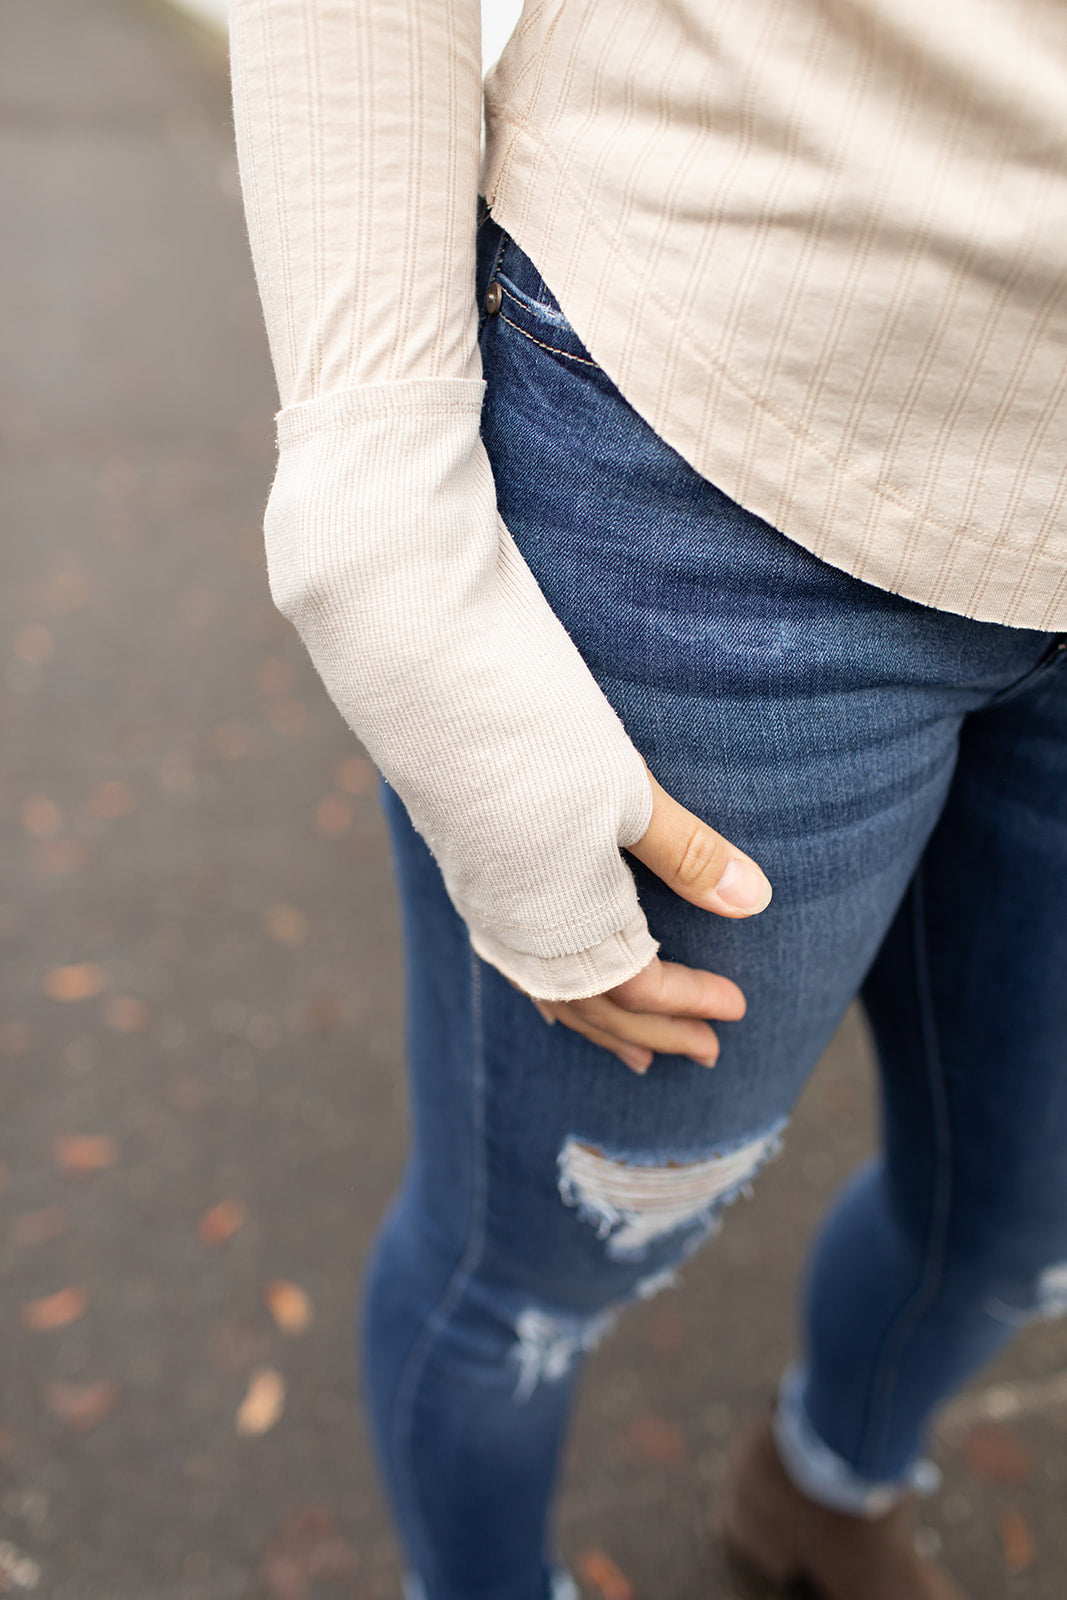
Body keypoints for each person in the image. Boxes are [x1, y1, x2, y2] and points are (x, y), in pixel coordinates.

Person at [227, 1, 1067, 1595]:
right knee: (536, 1276)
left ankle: (826, 1491)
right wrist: (381, 525)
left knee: (1019, 1227)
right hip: (709, 469)